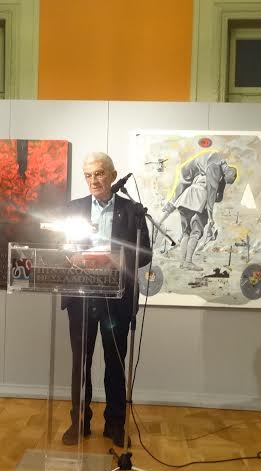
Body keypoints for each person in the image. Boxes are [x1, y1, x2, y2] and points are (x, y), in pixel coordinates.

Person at [60, 153, 152, 447]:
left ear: (113, 175)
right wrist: (72, 256)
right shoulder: (72, 209)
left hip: (117, 298)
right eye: (88, 175)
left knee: (115, 363)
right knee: (80, 364)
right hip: (81, 297)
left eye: (99, 173)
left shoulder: (132, 211)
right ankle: (79, 423)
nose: (93, 180)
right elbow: (58, 246)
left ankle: (115, 424)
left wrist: (116, 258)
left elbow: (145, 253)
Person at [160, 150, 238, 270]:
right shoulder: (215, 167)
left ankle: (182, 263)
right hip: (199, 199)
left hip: (185, 198)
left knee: (186, 232)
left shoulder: (206, 166)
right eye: (228, 180)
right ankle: (188, 262)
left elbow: (184, 179)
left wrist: (169, 207)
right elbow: (212, 194)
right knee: (196, 232)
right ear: (228, 173)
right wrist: (211, 217)